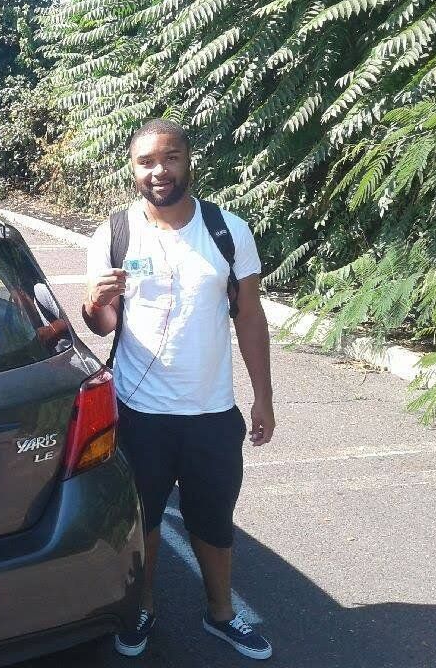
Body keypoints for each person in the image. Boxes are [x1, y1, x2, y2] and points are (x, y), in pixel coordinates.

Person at [83, 119, 276, 660]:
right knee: (142, 521)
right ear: (131, 168)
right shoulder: (114, 234)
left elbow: (251, 318)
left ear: (188, 160)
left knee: (213, 522)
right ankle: (143, 608)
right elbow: (102, 325)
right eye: (146, 162)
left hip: (211, 412)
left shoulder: (227, 230)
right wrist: (92, 300)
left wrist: (263, 397)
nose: (158, 171)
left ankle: (221, 614)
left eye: (169, 158)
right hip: (138, 413)